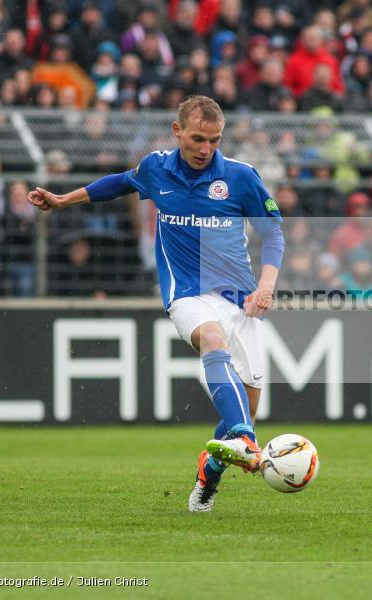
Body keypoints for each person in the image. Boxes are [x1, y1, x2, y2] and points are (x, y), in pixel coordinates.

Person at [27, 96, 285, 513]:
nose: (205, 149)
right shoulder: (156, 168)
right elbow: (120, 183)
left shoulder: (240, 177)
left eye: (214, 141)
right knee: (212, 341)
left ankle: (210, 470)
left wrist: (267, 284)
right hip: (186, 293)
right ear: (177, 130)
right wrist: (62, 200)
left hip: (241, 301)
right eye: (198, 139)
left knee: (250, 400)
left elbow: (273, 233)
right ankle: (244, 437)